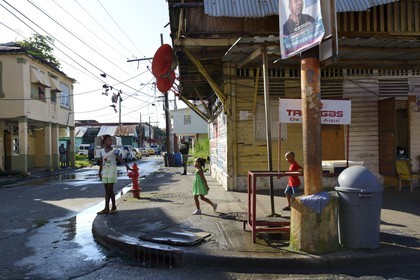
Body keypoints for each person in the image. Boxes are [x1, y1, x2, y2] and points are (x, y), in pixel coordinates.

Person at [97, 134, 132, 215]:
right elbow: (102, 163)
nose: (111, 141)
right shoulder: (102, 151)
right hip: (105, 172)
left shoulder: (114, 150)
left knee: (110, 189)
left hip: (112, 171)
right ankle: (108, 208)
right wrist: (99, 172)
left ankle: (112, 207)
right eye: (109, 140)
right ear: (104, 141)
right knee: (107, 191)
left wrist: (126, 165)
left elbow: (120, 159)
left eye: (111, 140)